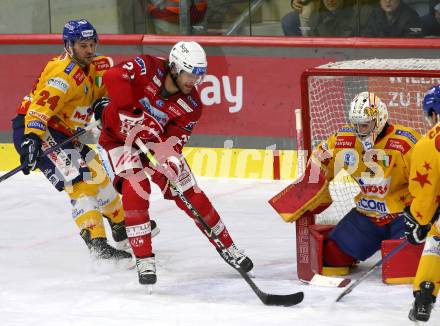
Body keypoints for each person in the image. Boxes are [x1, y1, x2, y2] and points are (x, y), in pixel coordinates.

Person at [94, 40, 253, 286]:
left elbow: (176, 139)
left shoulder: (192, 105)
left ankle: (229, 248)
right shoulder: (147, 67)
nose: (195, 81)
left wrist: (169, 159)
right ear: (176, 68)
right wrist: (127, 110)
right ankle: (144, 258)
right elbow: (114, 75)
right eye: (190, 74)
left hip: (153, 145)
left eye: (200, 75)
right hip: (119, 141)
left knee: (191, 193)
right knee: (136, 189)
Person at [11, 19, 157, 264]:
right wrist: (31, 141)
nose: (89, 50)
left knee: (98, 174)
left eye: (91, 44)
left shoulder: (98, 64)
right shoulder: (62, 74)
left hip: (65, 133)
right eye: (82, 45)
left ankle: (121, 228)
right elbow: (38, 111)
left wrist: (104, 104)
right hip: (41, 131)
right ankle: (97, 244)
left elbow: (106, 93)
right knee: (79, 180)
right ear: (69, 46)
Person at [306, 92, 421, 270]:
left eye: (365, 125)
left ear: (380, 119)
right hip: (367, 215)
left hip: (405, 215)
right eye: (356, 125)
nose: (359, 131)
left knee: (403, 268)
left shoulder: (405, 143)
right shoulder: (344, 139)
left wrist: (422, 215)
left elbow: (429, 179)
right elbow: (319, 159)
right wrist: (311, 187)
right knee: (332, 257)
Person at [404, 85, 440, 322]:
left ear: (434, 113)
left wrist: (420, 220)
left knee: (435, 237)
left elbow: (425, 193)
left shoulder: (428, 143)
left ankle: (425, 294)